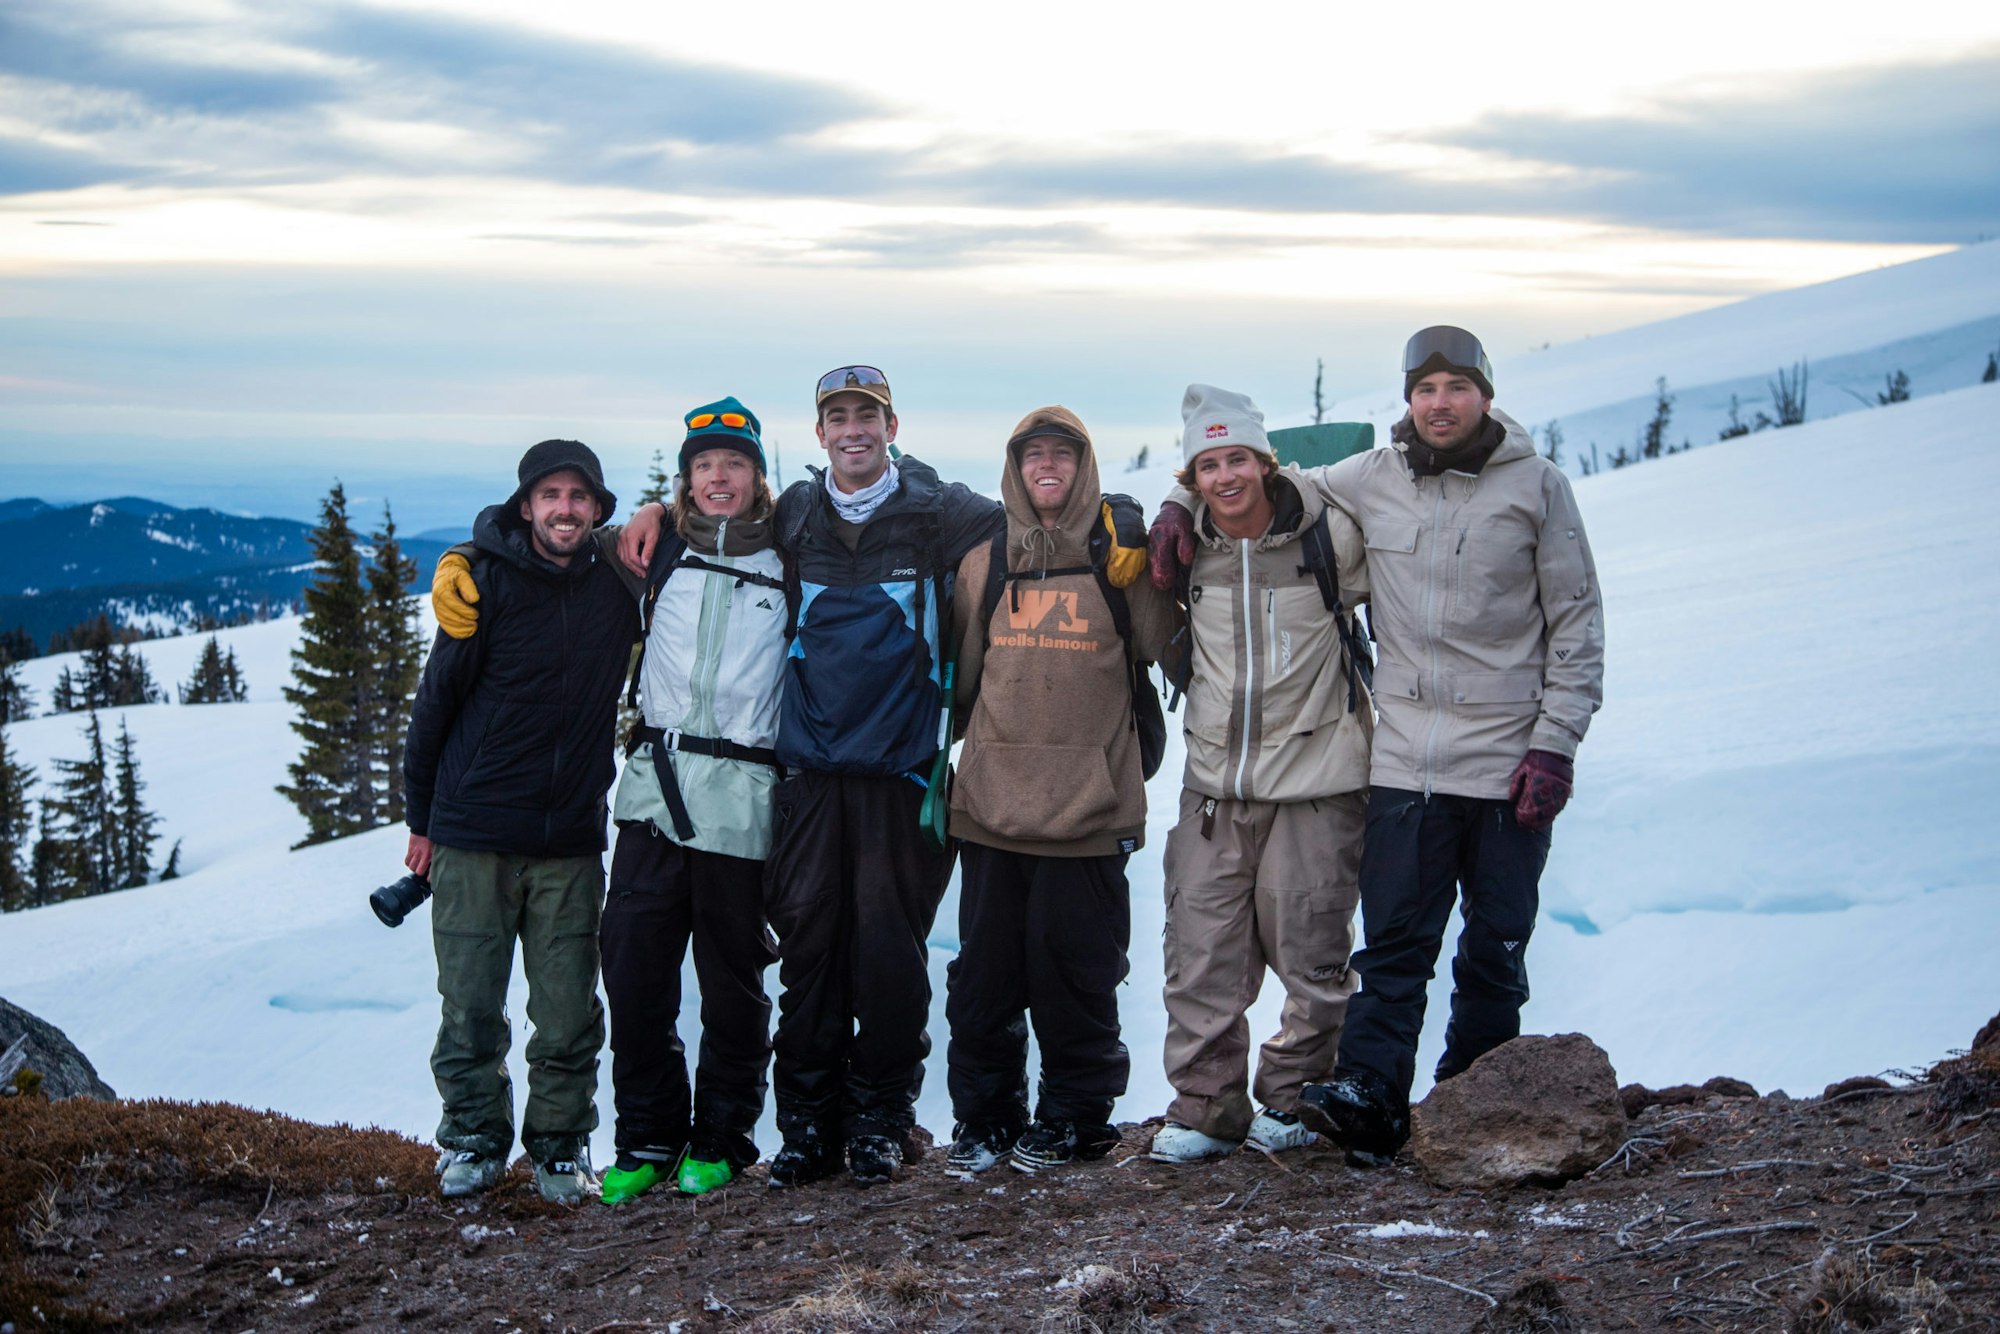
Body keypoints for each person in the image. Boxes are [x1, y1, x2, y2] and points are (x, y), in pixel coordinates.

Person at [1150, 328, 1606, 1166]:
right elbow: (1269, 483)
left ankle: (1475, 1099)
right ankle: (1368, 1102)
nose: (1440, 403)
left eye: (1456, 388)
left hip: (1500, 756)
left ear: (1484, 395)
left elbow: (1577, 625)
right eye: (1425, 388)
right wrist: (1176, 503)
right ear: (1407, 400)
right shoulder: (1372, 479)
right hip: (1400, 762)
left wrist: (1556, 744)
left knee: (1492, 945)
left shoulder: (1536, 489)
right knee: (1390, 947)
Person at [621, 365, 1004, 1187]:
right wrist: (653, 508)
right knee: (809, 956)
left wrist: (1130, 512)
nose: (853, 430)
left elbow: (1039, 520)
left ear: (891, 428)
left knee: (890, 958)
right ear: (820, 433)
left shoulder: (940, 512)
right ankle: (807, 1125)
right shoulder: (796, 515)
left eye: (868, 416)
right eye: (838, 418)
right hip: (804, 779)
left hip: (901, 776)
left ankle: (879, 1119)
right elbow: (705, 525)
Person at [940, 406, 1177, 1177]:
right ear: (1014, 469)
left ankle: (1076, 1118)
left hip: (1089, 814)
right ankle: (986, 1121)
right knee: (983, 984)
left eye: (1062, 456)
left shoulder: (1119, 558)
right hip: (992, 812)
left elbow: (1172, 649)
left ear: (1084, 467)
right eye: (1032, 455)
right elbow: (961, 683)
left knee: (1079, 978)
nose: (1048, 467)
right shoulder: (988, 562)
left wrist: (1156, 546)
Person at [1141, 385, 1374, 1165]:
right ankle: (1208, 1109)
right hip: (1213, 785)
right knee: (1201, 956)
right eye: (1207, 465)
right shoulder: (1188, 543)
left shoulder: (1327, 533)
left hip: (1318, 781)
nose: (1225, 477)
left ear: (1264, 461)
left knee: (1312, 955)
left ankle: (1295, 1097)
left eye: (1237, 457)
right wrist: (1173, 500)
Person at [405, 440, 639, 1204]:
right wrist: (421, 820)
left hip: (569, 838)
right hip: (472, 834)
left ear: (598, 509)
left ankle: (561, 1149)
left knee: (569, 1014)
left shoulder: (617, 587)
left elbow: (693, 531)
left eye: (579, 496)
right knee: (470, 1007)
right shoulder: (483, 584)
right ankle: (472, 1141)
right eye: (549, 496)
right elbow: (434, 705)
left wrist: (663, 507)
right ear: (526, 507)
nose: (564, 509)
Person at [594, 398, 788, 1204]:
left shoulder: (792, 554)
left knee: (732, 982)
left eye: (734, 464)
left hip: (742, 798)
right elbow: (547, 541)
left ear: (757, 478)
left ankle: (722, 1137)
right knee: (634, 969)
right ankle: (646, 1135)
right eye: (703, 465)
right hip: (654, 790)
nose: (719, 477)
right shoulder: (654, 551)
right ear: (684, 480)